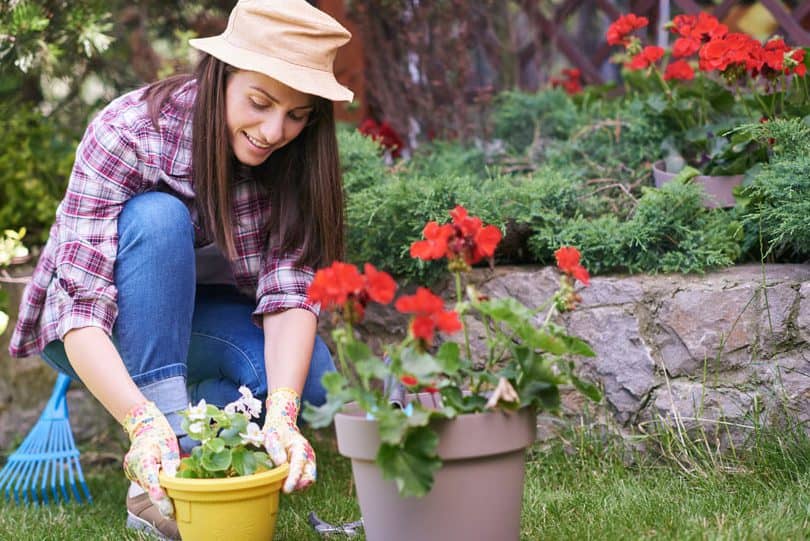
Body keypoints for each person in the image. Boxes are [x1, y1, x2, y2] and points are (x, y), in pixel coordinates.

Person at [8, 0, 354, 538]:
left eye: (296, 115)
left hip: (202, 317)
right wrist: (142, 423)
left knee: (303, 382)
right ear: (220, 78)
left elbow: (290, 292)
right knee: (159, 217)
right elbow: (80, 305)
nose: (272, 130)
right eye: (259, 102)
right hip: (97, 328)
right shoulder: (129, 131)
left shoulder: (299, 161)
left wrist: (283, 414)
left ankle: (195, 452)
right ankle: (165, 456)